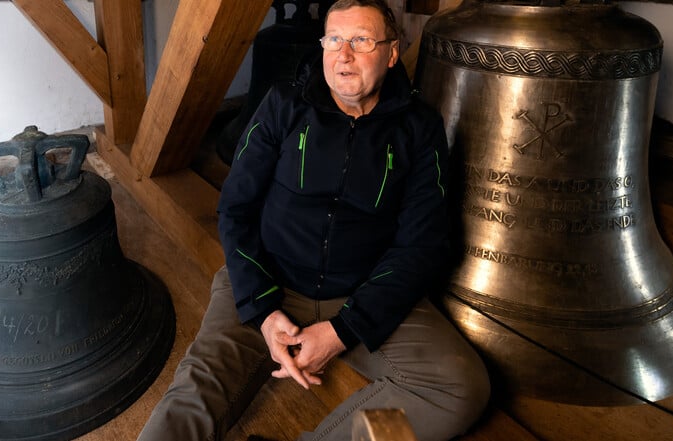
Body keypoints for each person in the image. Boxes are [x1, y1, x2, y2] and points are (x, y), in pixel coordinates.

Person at [137, 1, 490, 440]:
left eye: (361, 41)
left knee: (460, 386)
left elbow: (422, 244)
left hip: (362, 293)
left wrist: (345, 330)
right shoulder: (284, 105)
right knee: (194, 392)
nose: (344, 55)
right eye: (334, 40)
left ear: (392, 52)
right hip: (269, 280)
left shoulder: (418, 129)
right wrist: (263, 310)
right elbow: (235, 209)